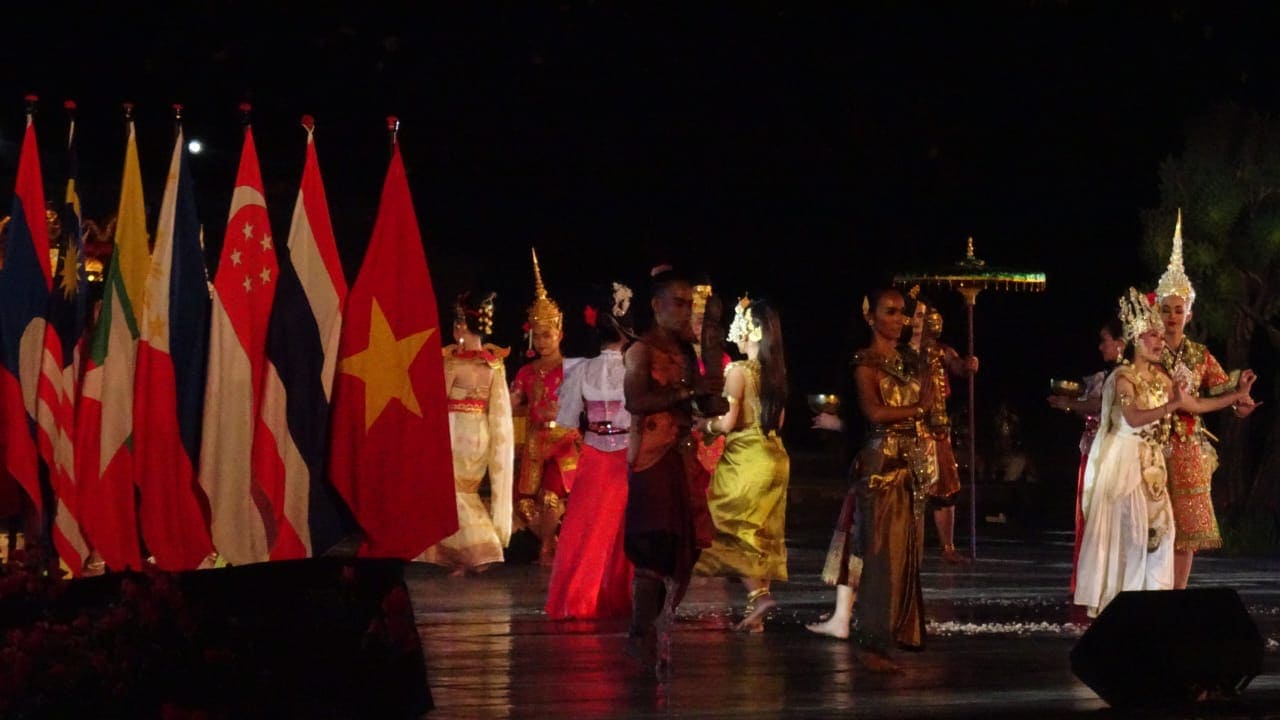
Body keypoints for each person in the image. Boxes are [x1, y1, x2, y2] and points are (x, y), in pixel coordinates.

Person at [1074, 289, 1256, 617]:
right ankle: (1123, 612)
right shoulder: (1122, 380)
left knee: (1164, 534)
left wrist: (1237, 395)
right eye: (1152, 335)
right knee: (1133, 539)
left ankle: (1159, 610)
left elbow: (1195, 404)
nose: (1160, 341)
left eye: (1160, 335)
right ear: (1136, 339)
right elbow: (1132, 417)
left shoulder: (1161, 377)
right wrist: (1171, 405)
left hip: (1154, 464)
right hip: (1128, 466)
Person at [808, 288, 936, 671]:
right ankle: (872, 642)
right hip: (880, 464)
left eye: (902, 312)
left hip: (908, 461)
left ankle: (891, 637)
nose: (899, 319)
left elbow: (929, 404)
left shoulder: (907, 360)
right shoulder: (864, 362)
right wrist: (919, 409)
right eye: (890, 312)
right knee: (879, 556)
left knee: (903, 555)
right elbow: (874, 413)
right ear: (871, 317)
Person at [622, 267, 720, 681]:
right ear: (655, 305)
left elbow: (705, 405)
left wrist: (711, 382)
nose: (684, 311)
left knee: (686, 543)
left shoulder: (685, 351)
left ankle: (655, 623)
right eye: (677, 303)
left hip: (681, 455)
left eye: (689, 304)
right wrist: (689, 392)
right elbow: (636, 400)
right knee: (654, 540)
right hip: (652, 455)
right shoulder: (641, 350)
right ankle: (641, 630)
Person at [1154, 213, 1257, 588]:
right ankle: (1151, 593)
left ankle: (1177, 595)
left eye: (1178, 309)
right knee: (1153, 526)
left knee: (1186, 532)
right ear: (1156, 311)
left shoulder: (1199, 355)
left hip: (1189, 448)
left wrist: (1242, 401)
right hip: (1152, 447)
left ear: (1189, 313)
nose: (1172, 316)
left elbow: (1225, 390)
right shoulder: (1148, 353)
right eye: (1166, 309)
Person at [693, 296, 791, 632]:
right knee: (760, 530)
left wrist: (703, 426)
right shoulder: (776, 374)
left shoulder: (738, 371)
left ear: (752, 331)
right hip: (775, 456)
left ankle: (760, 596)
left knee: (726, 525)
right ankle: (756, 612)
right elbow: (778, 421)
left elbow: (728, 422)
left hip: (746, 458)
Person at [544, 282, 636, 620]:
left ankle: (578, 599)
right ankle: (613, 597)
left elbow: (567, 419)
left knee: (585, 528)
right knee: (620, 529)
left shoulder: (582, 369)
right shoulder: (635, 369)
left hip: (594, 454)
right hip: (626, 454)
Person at [418, 292, 514, 575]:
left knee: (453, 492)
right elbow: (498, 409)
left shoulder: (453, 364)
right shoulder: (493, 366)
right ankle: (463, 556)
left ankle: (479, 551)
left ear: (460, 327)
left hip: (455, 430)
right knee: (466, 491)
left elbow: (437, 401)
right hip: (480, 433)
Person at [510, 249, 579, 566]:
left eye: (547, 335)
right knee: (524, 505)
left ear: (560, 334)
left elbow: (583, 408)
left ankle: (548, 547)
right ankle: (553, 542)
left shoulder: (572, 369)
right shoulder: (526, 372)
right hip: (535, 442)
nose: (541, 341)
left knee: (552, 497)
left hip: (565, 441)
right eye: (536, 336)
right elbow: (513, 402)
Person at [1047, 317, 1125, 594]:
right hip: (1096, 450)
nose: (1101, 346)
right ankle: (1095, 582)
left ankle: (1105, 583)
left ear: (1121, 344)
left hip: (1112, 456)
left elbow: (1104, 406)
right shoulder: (1109, 375)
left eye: (1105, 341)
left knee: (1103, 517)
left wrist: (1069, 403)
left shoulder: (1125, 376)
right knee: (1091, 515)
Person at [908, 291, 978, 563]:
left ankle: (947, 547)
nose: (918, 322)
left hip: (937, 429)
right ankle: (910, 548)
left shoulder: (941, 351)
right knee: (913, 492)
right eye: (915, 316)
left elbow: (958, 366)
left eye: (922, 316)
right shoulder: (899, 353)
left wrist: (969, 365)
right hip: (911, 428)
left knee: (946, 488)